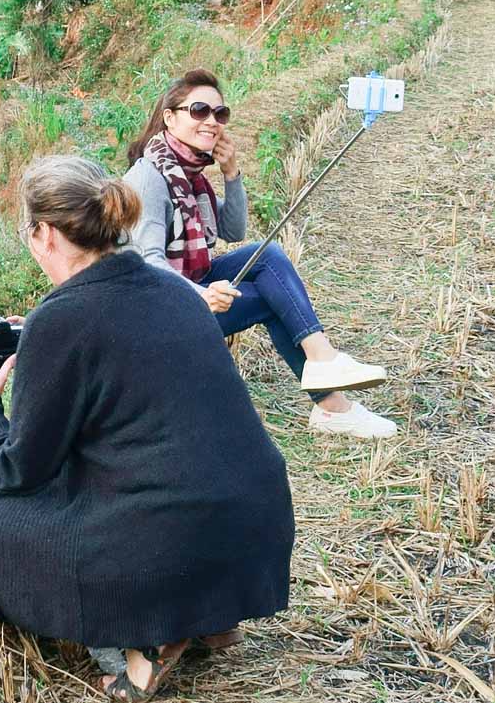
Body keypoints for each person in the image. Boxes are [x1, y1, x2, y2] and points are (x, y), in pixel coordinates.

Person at [0, 155, 295, 703]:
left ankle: (142, 640)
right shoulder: (173, 288)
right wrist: (37, 335)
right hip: (253, 530)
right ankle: (211, 614)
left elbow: (17, 472)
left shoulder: (62, 320)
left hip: (165, 547)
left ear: (43, 233)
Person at [123, 70, 397, 440]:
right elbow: (147, 264)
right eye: (199, 110)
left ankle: (322, 359)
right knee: (271, 299)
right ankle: (332, 405)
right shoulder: (150, 177)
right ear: (170, 117)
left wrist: (232, 172)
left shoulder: (190, 174)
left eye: (220, 114)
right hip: (154, 309)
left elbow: (234, 231)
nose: (211, 122)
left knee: (266, 255)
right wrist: (203, 295)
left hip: (185, 284)